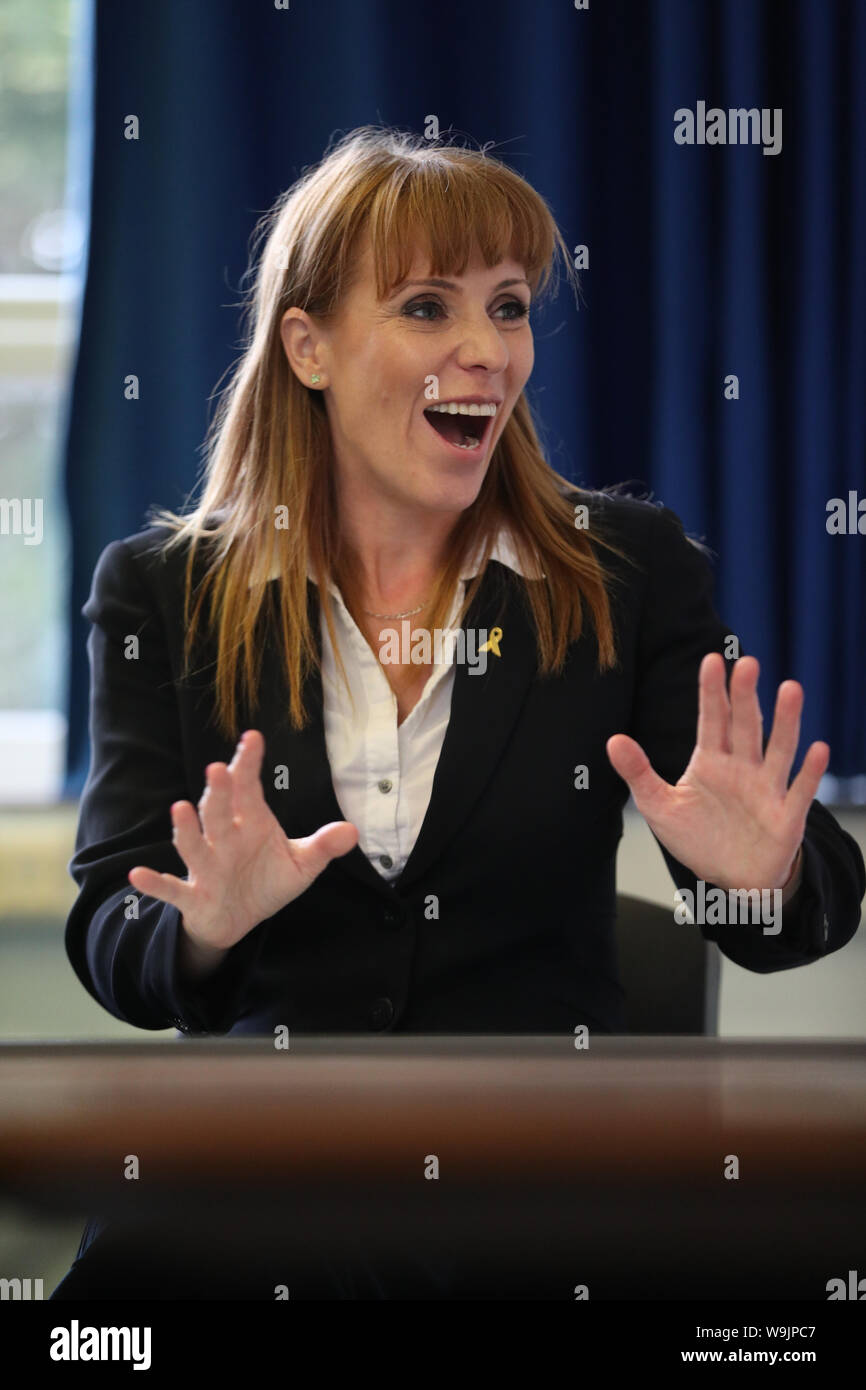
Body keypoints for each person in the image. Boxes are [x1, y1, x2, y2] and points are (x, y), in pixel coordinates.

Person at [52, 126, 864, 1299]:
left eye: (509, 307)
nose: (485, 350)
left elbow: (800, 908)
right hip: (264, 1178)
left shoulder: (625, 573)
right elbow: (111, 931)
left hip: (542, 1183)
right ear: (309, 346)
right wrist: (203, 930)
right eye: (428, 308)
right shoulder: (161, 593)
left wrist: (760, 875)